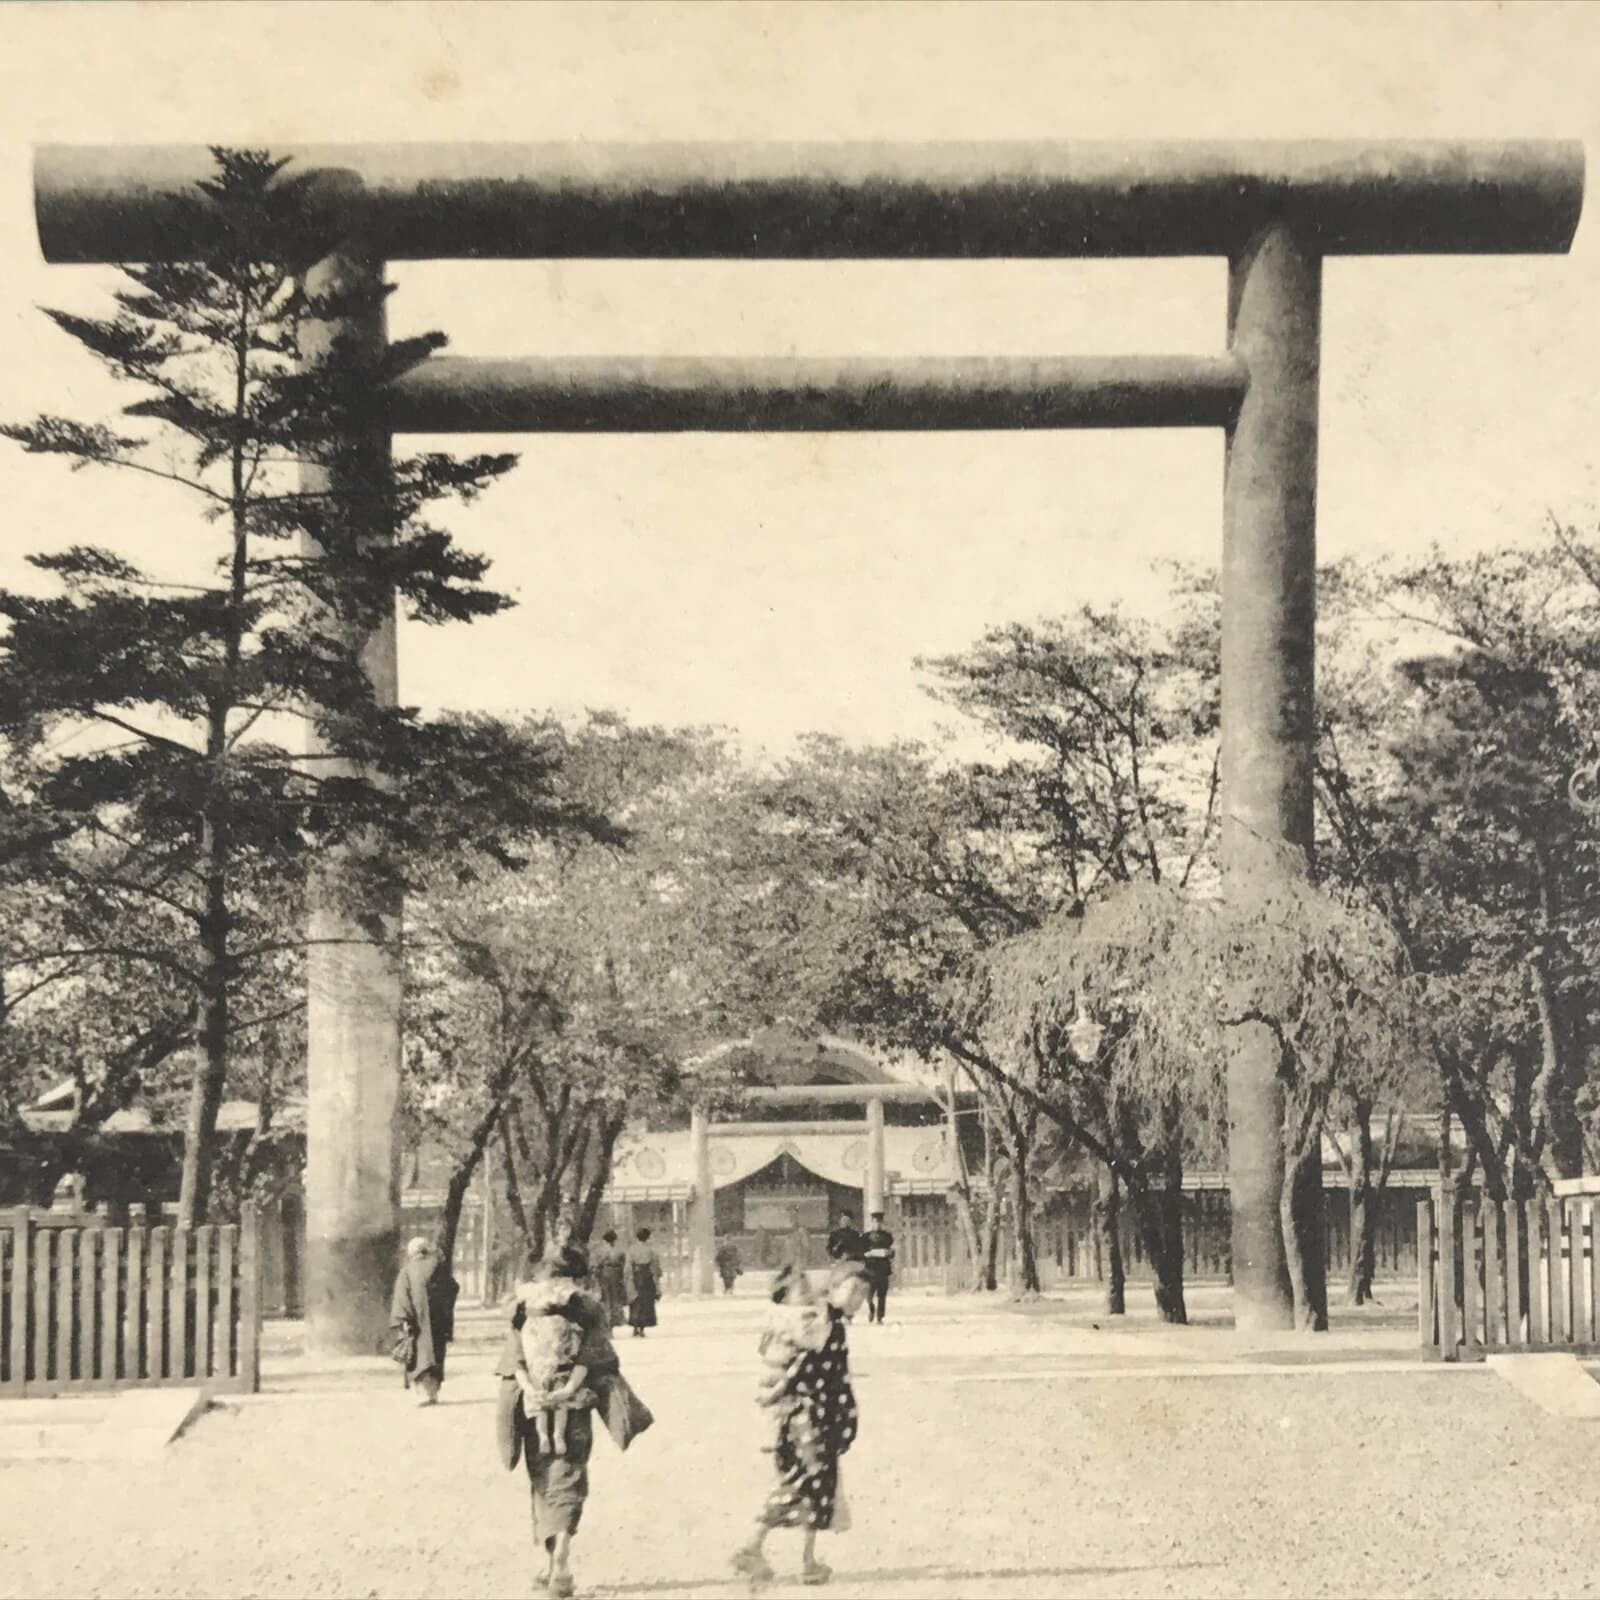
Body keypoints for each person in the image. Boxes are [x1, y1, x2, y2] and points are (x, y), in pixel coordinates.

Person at [495, 1244, 655, 1598]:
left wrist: (530, 1390)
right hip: (574, 1403)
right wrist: (570, 1387)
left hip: (533, 1402)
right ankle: (562, 1562)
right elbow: (598, 1356)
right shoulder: (587, 1307)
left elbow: (512, 1359)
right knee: (569, 1474)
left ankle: (546, 1561)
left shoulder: (522, 1307)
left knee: (541, 1477)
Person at [733, 1260, 871, 1588]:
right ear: (834, 1288)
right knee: (804, 1481)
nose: (857, 1298)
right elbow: (802, 1369)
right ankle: (752, 1545)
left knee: (820, 1486)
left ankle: (807, 1561)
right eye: (852, 1289)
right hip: (807, 1416)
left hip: (822, 1414)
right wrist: (782, 1396)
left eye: (863, 1293)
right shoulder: (820, 1323)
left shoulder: (832, 1322)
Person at [514, 1266, 599, 1457]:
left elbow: (587, 1355)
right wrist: (529, 1389)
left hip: (566, 1375)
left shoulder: (574, 1323)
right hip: (537, 1376)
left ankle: (556, 1436)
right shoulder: (526, 1323)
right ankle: (544, 1436)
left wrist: (569, 1389)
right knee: (530, 1411)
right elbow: (516, 1360)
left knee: (567, 1413)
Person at [387, 1236, 459, 1406]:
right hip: (438, 1321)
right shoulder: (439, 1268)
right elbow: (453, 1287)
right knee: (436, 1353)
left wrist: (403, 1319)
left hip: (416, 1322)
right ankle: (433, 1393)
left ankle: (423, 1394)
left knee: (419, 1356)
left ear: (412, 1253)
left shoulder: (407, 1271)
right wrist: (444, 1310)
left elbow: (402, 1297)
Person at [625, 1226, 662, 1337]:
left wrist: (628, 1278)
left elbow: (628, 1266)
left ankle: (635, 1327)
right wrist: (657, 1279)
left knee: (635, 1301)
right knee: (646, 1302)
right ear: (647, 1237)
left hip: (636, 1276)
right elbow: (655, 1266)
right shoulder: (651, 1250)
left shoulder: (632, 1249)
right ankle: (642, 1328)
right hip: (647, 1277)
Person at [861, 1210, 896, 1324]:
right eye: (875, 1222)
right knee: (869, 1294)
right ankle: (871, 1309)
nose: (877, 1224)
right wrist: (867, 1253)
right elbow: (861, 1251)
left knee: (882, 1294)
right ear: (871, 1223)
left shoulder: (888, 1236)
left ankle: (880, 1317)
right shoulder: (866, 1237)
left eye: (880, 1222)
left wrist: (888, 1253)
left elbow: (893, 1251)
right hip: (870, 1268)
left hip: (883, 1268)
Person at [591, 1228, 629, 1326]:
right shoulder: (620, 1251)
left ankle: (607, 1322)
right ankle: (615, 1320)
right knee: (615, 1298)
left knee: (605, 1298)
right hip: (616, 1275)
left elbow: (597, 1265)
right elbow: (623, 1265)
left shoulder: (600, 1250)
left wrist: (596, 1276)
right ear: (615, 1239)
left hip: (604, 1275)